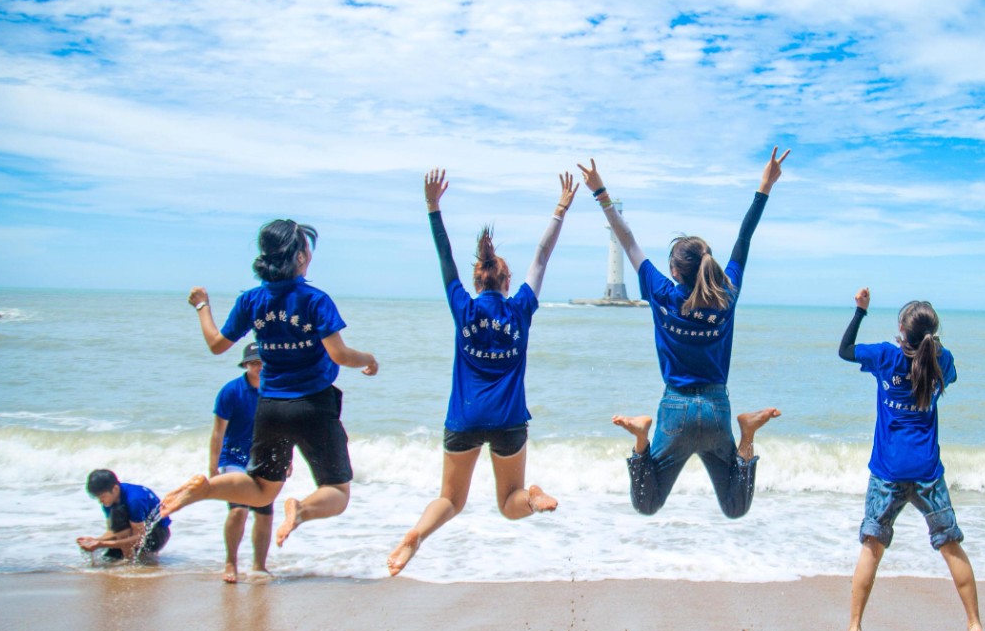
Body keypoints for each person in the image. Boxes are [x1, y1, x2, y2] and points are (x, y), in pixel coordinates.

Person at [577, 150, 787, 518]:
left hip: (674, 408)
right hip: (717, 409)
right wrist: (764, 187)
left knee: (647, 503)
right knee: (735, 507)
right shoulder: (727, 294)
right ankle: (748, 433)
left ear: (675, 272)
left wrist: (601, 193)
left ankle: (640, 438)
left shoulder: (662, 292)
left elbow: (627, 240)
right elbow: (744, 238)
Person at [387, 169, 577, 576]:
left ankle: (417, 534)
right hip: (509, 421)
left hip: (464, 418)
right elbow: (541, 257)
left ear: (476, 283)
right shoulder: (520, 309)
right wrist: (560, 209)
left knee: (451, 500)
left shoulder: (464, 308)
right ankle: (533, 497)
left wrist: (433, 208)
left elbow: (445, 259)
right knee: (510, 503)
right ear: (507, 281)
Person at [159, 219, 379, 546]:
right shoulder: (315, 300)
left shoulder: (251, 300)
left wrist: (202, 306)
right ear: (300, 257)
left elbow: (217, 345)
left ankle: (206, 489)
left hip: (270, 407)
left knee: (262, 491)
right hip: (313, 405)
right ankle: (300, 510)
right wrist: (369, 359)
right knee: (337, 490)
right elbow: (340, 355)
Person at [839, 290, 982, 631]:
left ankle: (854, 628)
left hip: (887, 472)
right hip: (928, 472)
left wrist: (860, 311)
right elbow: (945, 365)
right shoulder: (941, 360)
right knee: (951, 545)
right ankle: (973, 624)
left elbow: (845, 350)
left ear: (901, 329)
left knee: (872, 547)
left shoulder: (886, 356)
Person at [210, 342, 274, 583]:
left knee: (264, 513)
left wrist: (286, 458)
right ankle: (231, 562)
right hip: (234, 458)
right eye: (255, 363)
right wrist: (213, 467)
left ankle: (259, 566)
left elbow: (283, 427)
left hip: (265, 458)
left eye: (263, 362)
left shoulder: (275, 389)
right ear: (246, 365)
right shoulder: (231, 391)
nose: (260, 367)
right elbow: (218, 432)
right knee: (239, 510)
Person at [77, 469, 170, 561]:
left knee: (118, 515)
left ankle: (130, 560)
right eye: (97, 497)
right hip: (137, 531)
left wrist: (101, 544)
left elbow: (139, 538)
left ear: (115, 489)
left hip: (157, 533)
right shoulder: (109, 499)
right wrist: (95, 541)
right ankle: (131, 558)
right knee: (108, 559)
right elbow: (112, 531)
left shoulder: (135, 500)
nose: (100, 501)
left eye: (102, 497)